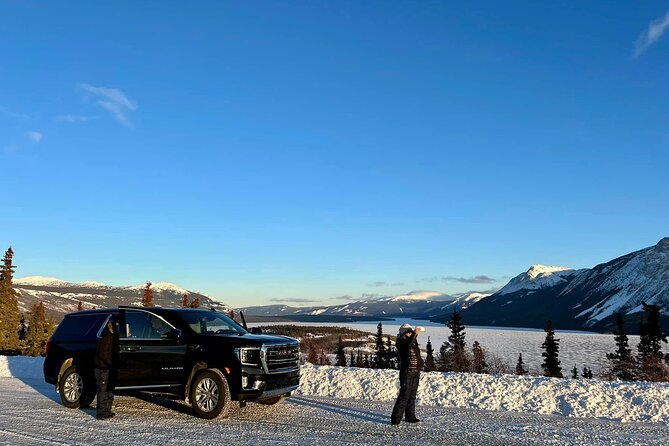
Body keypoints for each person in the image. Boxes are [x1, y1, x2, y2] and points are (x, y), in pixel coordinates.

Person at [391, 323, 424, 425]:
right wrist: (415, 333)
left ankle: (410, 416)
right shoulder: (401, 342)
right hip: (407, 371)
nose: (410, 334)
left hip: (415, 371)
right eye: (408, 332)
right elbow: (408, 344)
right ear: (404, 333)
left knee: (412, 395)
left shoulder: (412, 341)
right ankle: (396, 418)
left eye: (411, 332)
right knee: (404, 395)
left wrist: (420, 365)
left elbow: (415, 351)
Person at [94, 316, 118, 420]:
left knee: (108, 389)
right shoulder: (107, 337)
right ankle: (101, 413)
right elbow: (103, 354)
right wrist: (110, 364)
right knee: (103, 389)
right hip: (102, 367)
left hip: (106, 367)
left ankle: (107, 410)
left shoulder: (111, 336)